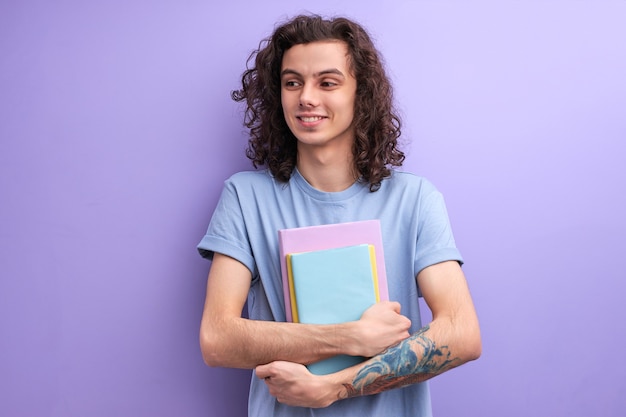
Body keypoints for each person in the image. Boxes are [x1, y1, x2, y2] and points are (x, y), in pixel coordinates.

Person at [197, 14, 481, 417]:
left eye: (327, 82)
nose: (306, 98)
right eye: (292, 82)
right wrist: (352, 336)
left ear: (359, 94)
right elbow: (217, 338)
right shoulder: (245, 197)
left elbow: (463, 333)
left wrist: (334, 388)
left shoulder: (415, 199)